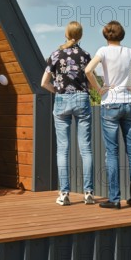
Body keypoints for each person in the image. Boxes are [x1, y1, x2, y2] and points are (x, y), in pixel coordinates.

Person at [85, 20, 131, 209]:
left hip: (110, 104)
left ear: (106, 35)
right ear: (122, 35)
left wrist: (99, 89)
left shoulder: (102, 51)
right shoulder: (130, 52)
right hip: (129, 103)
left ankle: (115, 199)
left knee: (112, 153)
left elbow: (87, 70)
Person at [41, 21, 94, 206]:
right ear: (80, 36)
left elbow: (44, 83)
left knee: (62, 150)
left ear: (66, 34)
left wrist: (58, 91)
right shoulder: (86, 55)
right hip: (81, 99)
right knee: (85, 148)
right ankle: (88, 193)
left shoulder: (55, 54)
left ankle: (64, 194)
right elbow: (91, 76)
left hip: (62, 99)